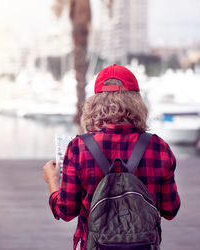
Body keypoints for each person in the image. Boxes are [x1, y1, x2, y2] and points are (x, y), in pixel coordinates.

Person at [43, 64, 181, 250]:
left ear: (95, 103)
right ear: (137, 102)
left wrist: (52, 181)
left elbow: (66, 211)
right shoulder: (158, 147)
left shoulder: (79, 147)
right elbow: (170, 210)